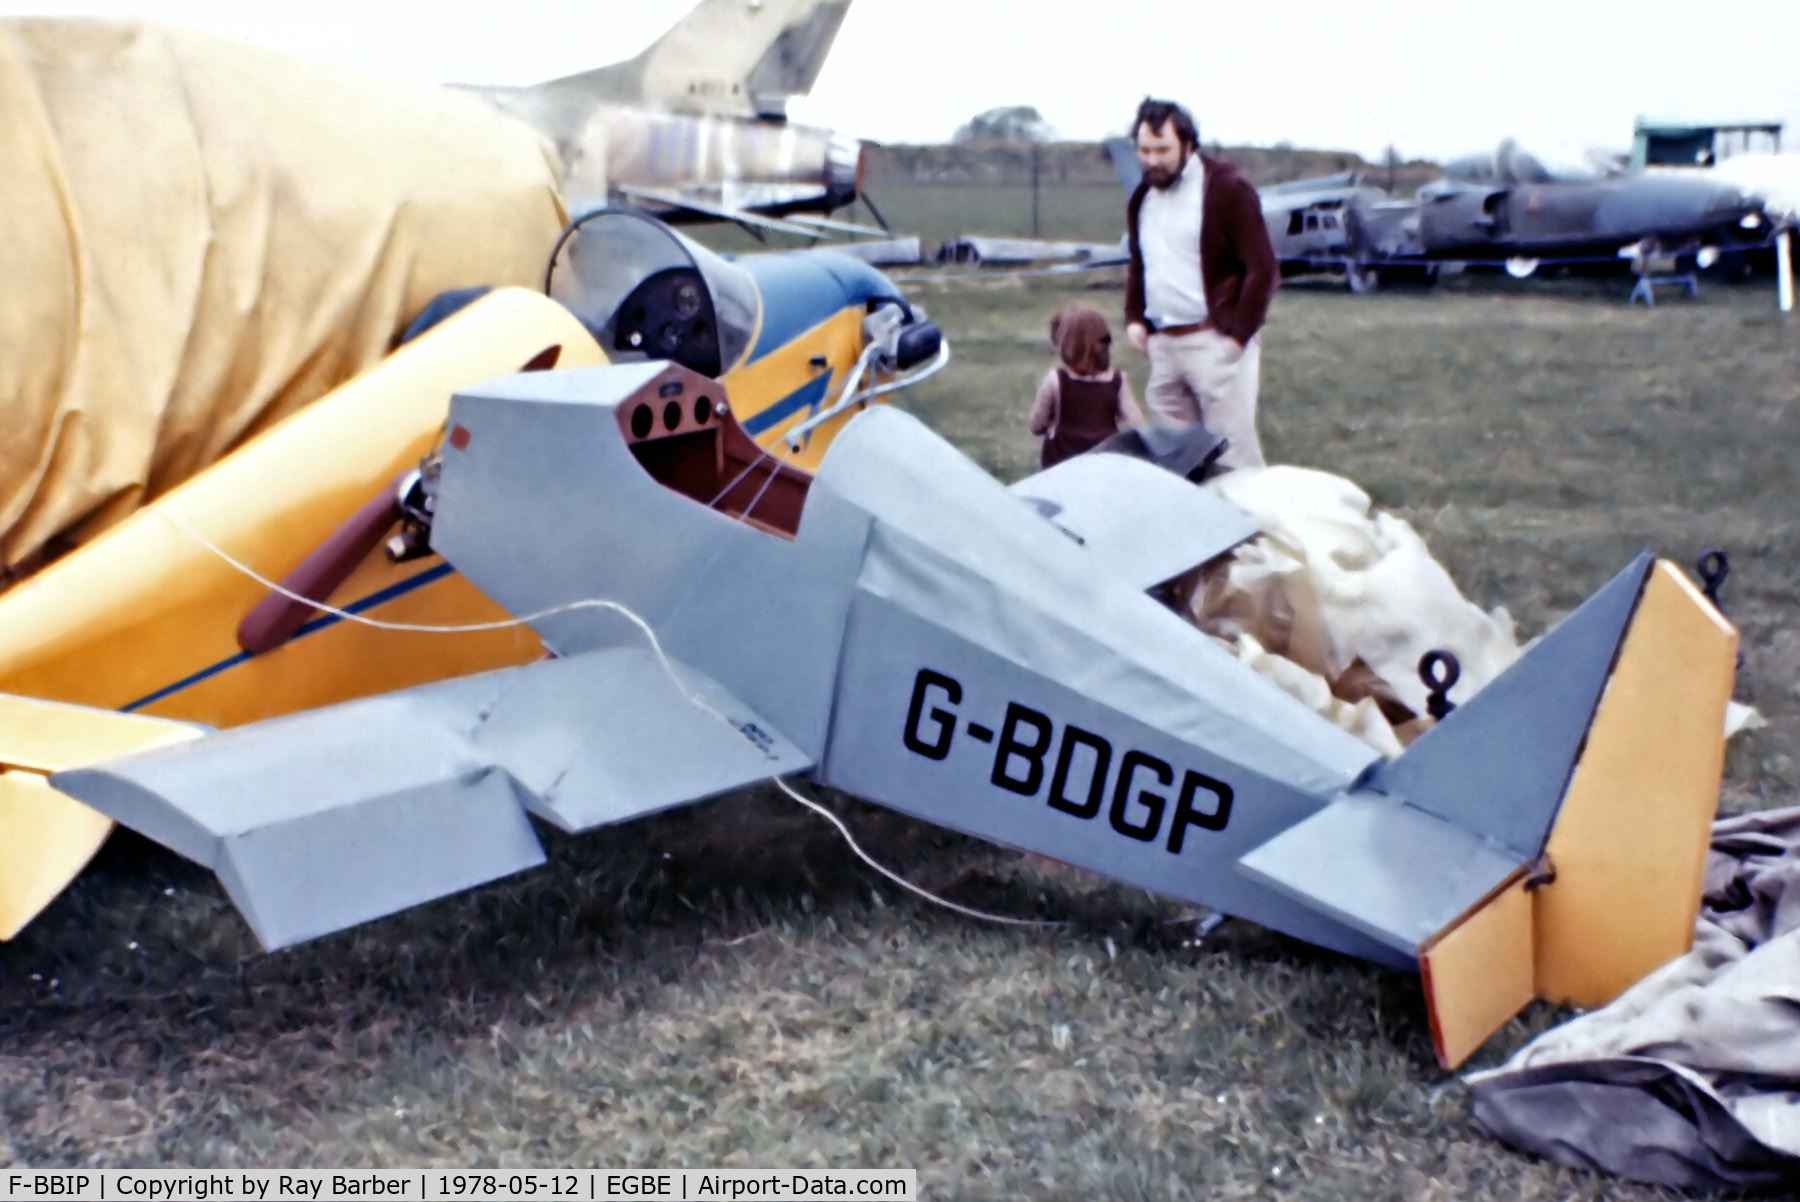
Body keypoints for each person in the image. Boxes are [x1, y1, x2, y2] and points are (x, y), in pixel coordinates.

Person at [1123, 97, 1278, 469]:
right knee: (1178, 464)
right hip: (1163, 348)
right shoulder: (1143, 197)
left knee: (1233, 460)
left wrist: (1236, 338)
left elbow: (1263, 269)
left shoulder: (1226, 190)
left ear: (1189, 145)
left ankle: (1250, 527)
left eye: (1163, 149)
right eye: (1145, 150)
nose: (1153, 160)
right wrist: (1134, 318)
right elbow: (1141, 263)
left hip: (1215, 343)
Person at [1029, 302, 1146, 468]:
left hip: (1061, 460)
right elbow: (1137, 425)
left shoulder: (1056, 380)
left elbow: (1036, 425)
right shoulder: (1117, 381)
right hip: (1104, 459)